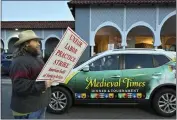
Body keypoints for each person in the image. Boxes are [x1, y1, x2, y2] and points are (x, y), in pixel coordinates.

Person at [9, 30, 54, 119]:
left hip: (39, 106)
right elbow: (19, 85)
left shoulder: (37, 59)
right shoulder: (19, 61)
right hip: (27, 111)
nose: (39, 44)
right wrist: (43, 84)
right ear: (26, 44)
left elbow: (39, 75)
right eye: (35, 41)